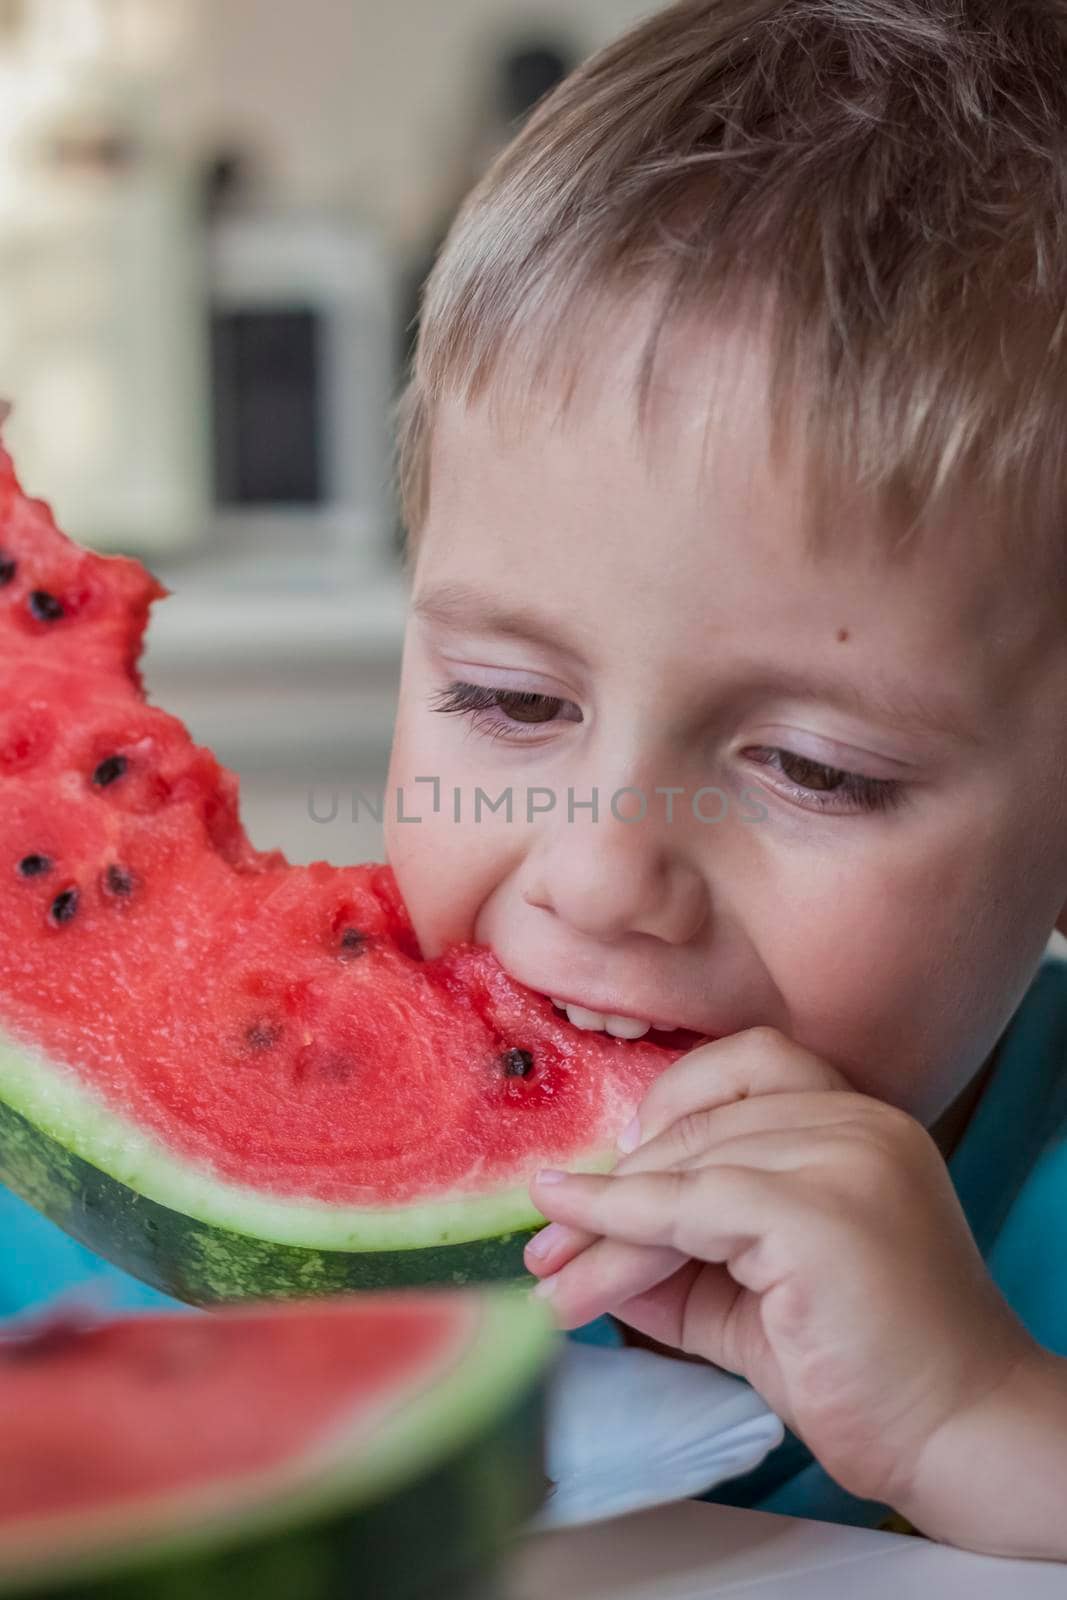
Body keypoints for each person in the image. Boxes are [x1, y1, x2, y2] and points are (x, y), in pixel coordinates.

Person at [384, 0, 1067, 1558]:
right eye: (507, 698)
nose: (604, 867)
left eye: (817, 770)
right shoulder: (137, 1215)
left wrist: (980, 1412)